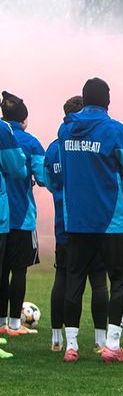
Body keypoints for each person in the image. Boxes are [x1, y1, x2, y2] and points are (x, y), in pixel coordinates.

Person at [59, 77, 123, 363]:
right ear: (107, 100)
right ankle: (112, 346)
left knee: (75, 278)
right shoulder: (116, 129)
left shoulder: (65, 128)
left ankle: (71, 347)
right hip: (110, 220)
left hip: (76, 219)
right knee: (120, 279)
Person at [43, 96, 109, 352]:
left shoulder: (54, 147)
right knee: (98, 281)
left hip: (64, 223)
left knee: (64, 277)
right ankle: (100, 340)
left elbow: (49, 182)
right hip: (94, 223)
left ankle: (57, 339)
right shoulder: (93, 143)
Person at [0, 91, 44, 336]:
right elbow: (45, 177)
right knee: (19, 271)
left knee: (1, 271)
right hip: (22, 217)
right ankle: (16, 324)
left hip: (3, 219)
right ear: (24, 120)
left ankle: (1, 324)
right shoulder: (31, 142)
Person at [0, 104, 27, 352]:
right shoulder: (3, 130)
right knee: (15, 270)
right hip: (8, 218)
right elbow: (17, 168)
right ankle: (13, 323)